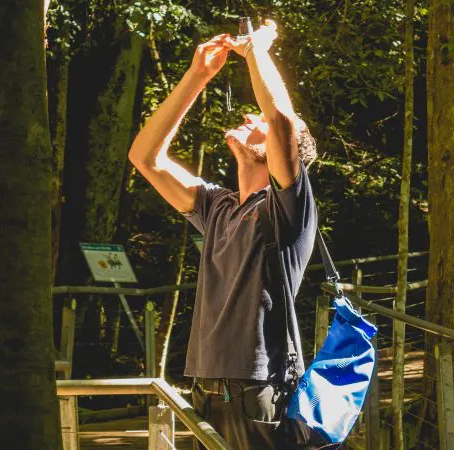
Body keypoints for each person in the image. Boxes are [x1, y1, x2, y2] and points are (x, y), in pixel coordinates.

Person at [128, 20, 318, 449]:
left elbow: (282, 120)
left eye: (260, 119)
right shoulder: (218, 205)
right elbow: (145, 157)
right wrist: (197, 76)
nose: (251, 115)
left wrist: (257, 50)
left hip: (259, 390)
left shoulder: (287, 208)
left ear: (281, 150)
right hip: (206, 388)